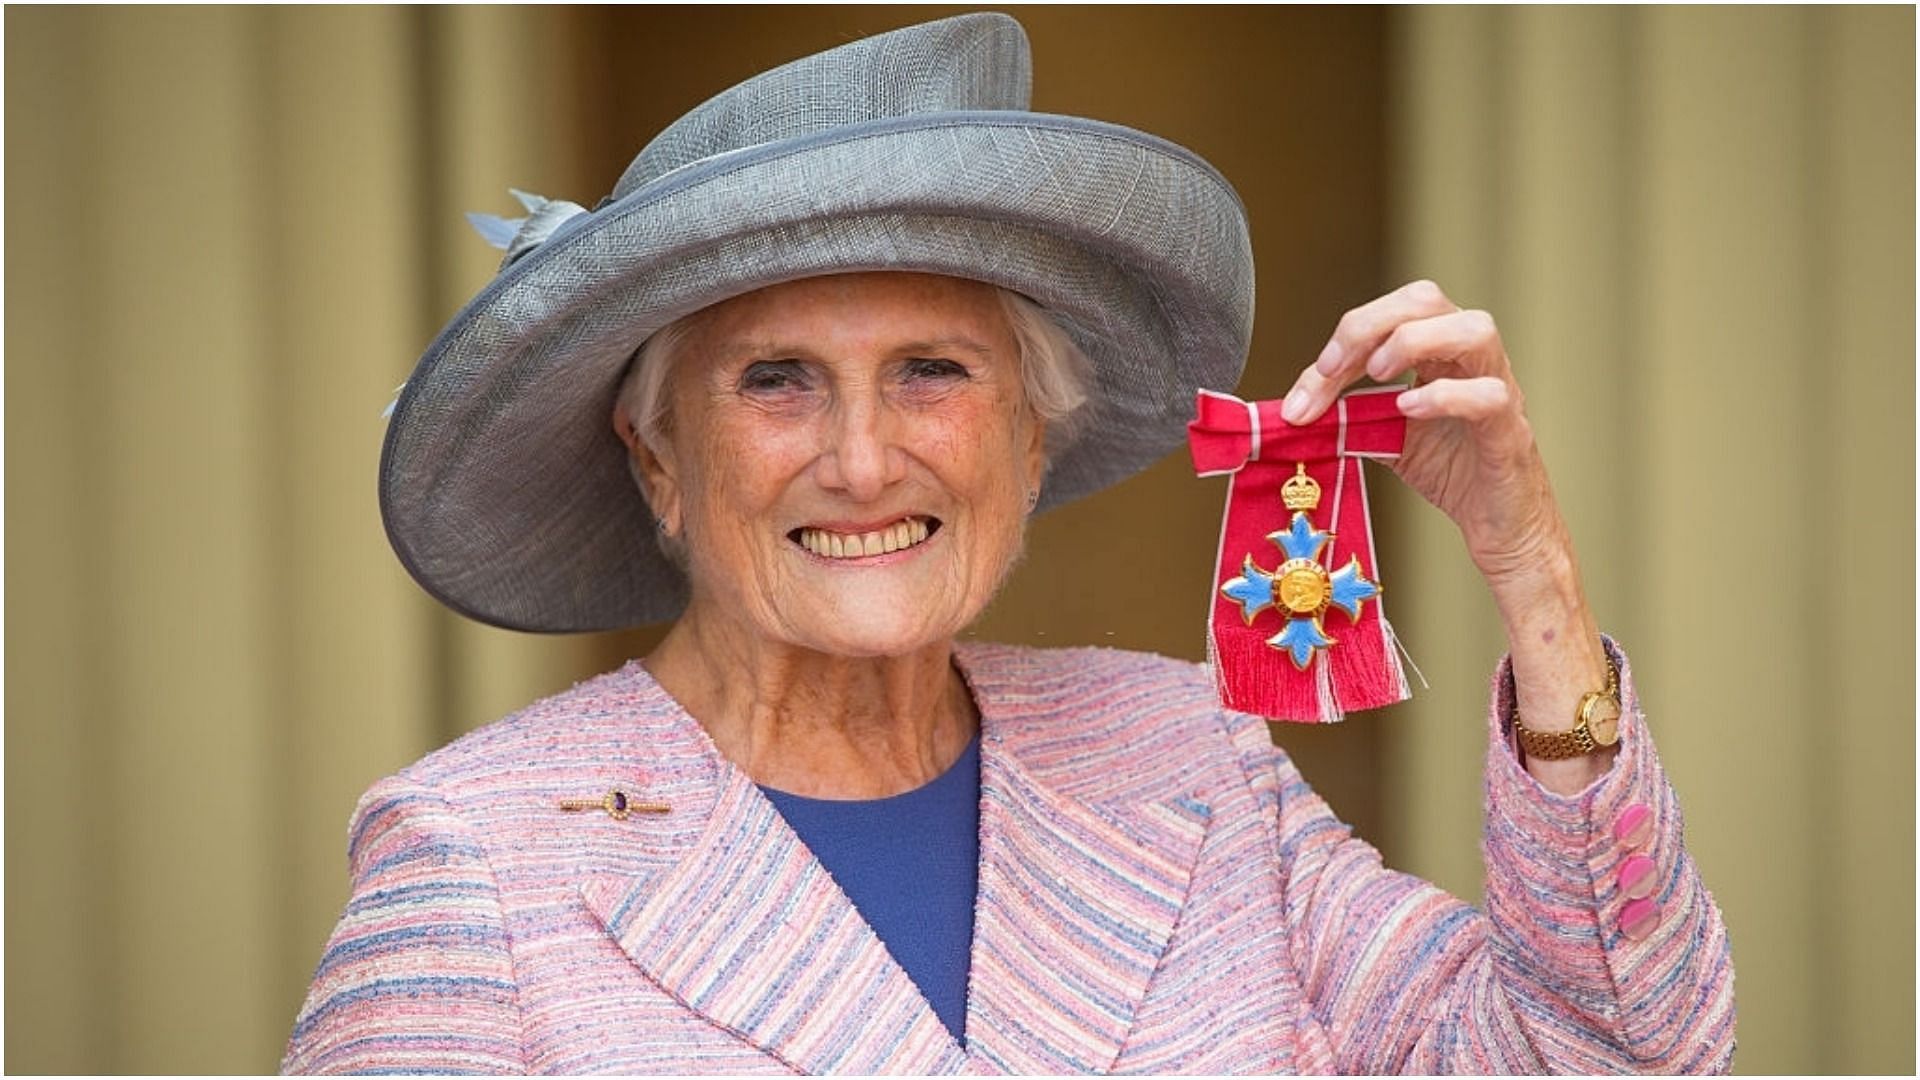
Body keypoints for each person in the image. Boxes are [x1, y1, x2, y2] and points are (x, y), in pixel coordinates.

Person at [284, 13, 1733, 1075]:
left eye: (935, 370)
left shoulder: (1185, 754)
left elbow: (1601, 1055)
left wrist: (1530, 572)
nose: (863, 461)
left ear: (1032, 437)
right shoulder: (474, 853)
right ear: (656, 452)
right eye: (774, 380)